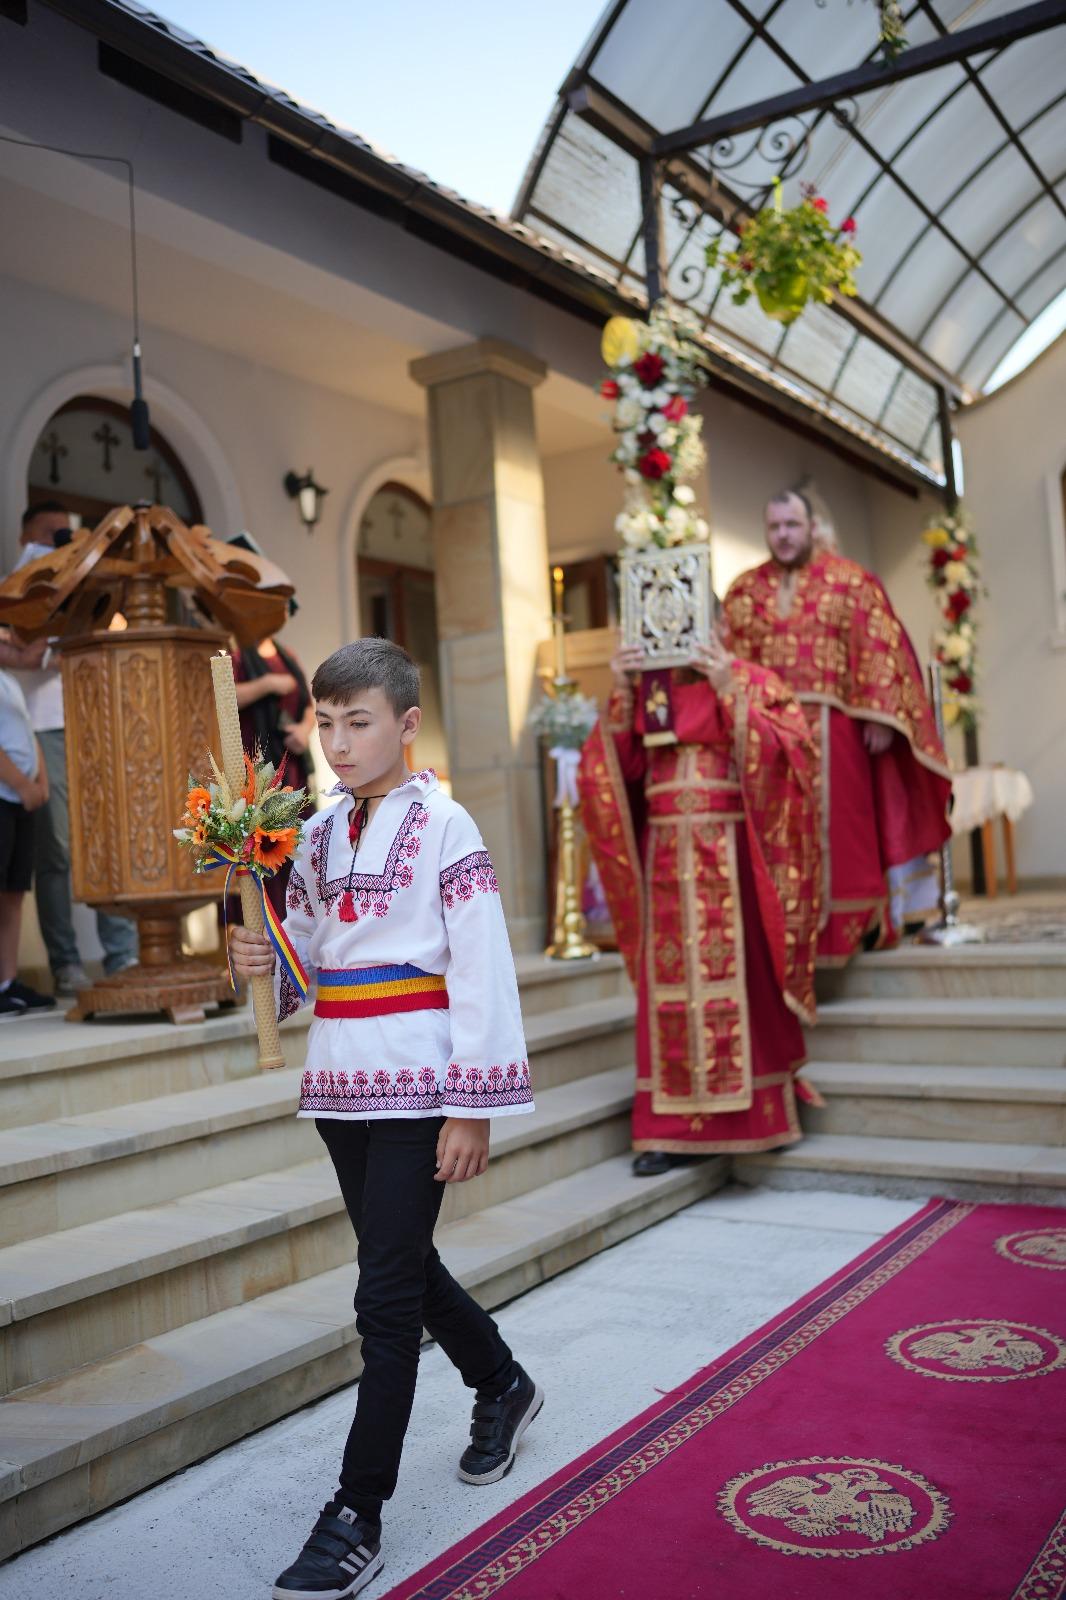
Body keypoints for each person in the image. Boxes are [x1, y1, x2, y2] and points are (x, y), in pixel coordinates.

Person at [229, 637, 540, 1600]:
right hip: (340, 1085)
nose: (337, 742)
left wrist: (473, 1107)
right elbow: (308, 960)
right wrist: (262, 963)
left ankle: (356, 1510)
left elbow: (481, 966)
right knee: (399, 1264)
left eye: (357, 723)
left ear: (406, 725)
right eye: (325, 723)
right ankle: (503, 1382)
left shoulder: (447, 825)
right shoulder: (318, 833)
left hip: (420, 1083)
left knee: (385, 1300)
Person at [579, 628, 823, 1176]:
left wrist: (729, 689)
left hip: (734, 857)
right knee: (671, 992)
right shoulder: (650, 690)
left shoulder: (753, 679)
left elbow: (793, 757)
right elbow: (618, 773)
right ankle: (669, 1131)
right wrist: (621, 692)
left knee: (746, 982)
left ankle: (758, 1116)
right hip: (665, 857)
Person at [722, 489, 951, 964]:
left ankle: (850, 933)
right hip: (768, 737)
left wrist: (879, 714)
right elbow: (730, 662)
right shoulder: (744, 591)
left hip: (836, 728)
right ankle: (784, 938)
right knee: (777, 834)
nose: (783, 536)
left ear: (812, 527)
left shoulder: (850, 581)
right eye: (774, 527)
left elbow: (879, 645)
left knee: (845, 834)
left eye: (792, 525)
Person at [0, 502, 138, 994]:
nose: (59, 541)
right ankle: (65, 963)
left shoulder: (85, 585)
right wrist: (53, 638)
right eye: (49, 533)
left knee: (108, 838)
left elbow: (109, 633)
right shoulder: (15, 589)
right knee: (56, 850)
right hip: (42, 729)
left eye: (66, 533)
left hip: (93, 723)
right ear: (25, 538)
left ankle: (122, 955)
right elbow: (23, 651)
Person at [232, 634, 316, 919]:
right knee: (266, 850)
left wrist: (304, 731)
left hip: (293, 767)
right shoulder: (237, 654)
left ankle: (304, 922)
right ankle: (273, 925)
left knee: (299, 848)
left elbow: (307, 705)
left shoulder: (286, 654)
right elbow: (226, 696)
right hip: (259, 774)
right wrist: (268, 684)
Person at [0, 669, 55, 1015]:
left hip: (23, 800)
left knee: (14, 892)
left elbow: (29, 735)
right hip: (6, 794)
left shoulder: (9, 681)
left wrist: (42, 784)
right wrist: (22, 785)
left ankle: (7, 982)